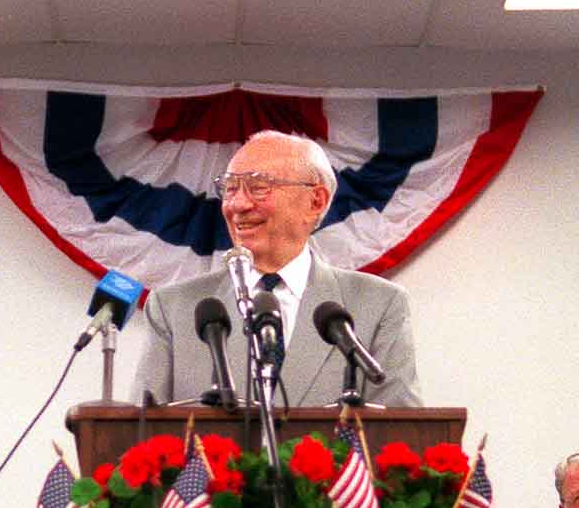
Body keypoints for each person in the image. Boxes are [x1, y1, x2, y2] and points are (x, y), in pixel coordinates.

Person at [129, 130, 421, 407]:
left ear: (315, 201)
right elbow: (141, 438)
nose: (237, 204)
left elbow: (402, 436)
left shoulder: (379, 305)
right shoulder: (173, 308)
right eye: (230, 188)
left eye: (258, 187)